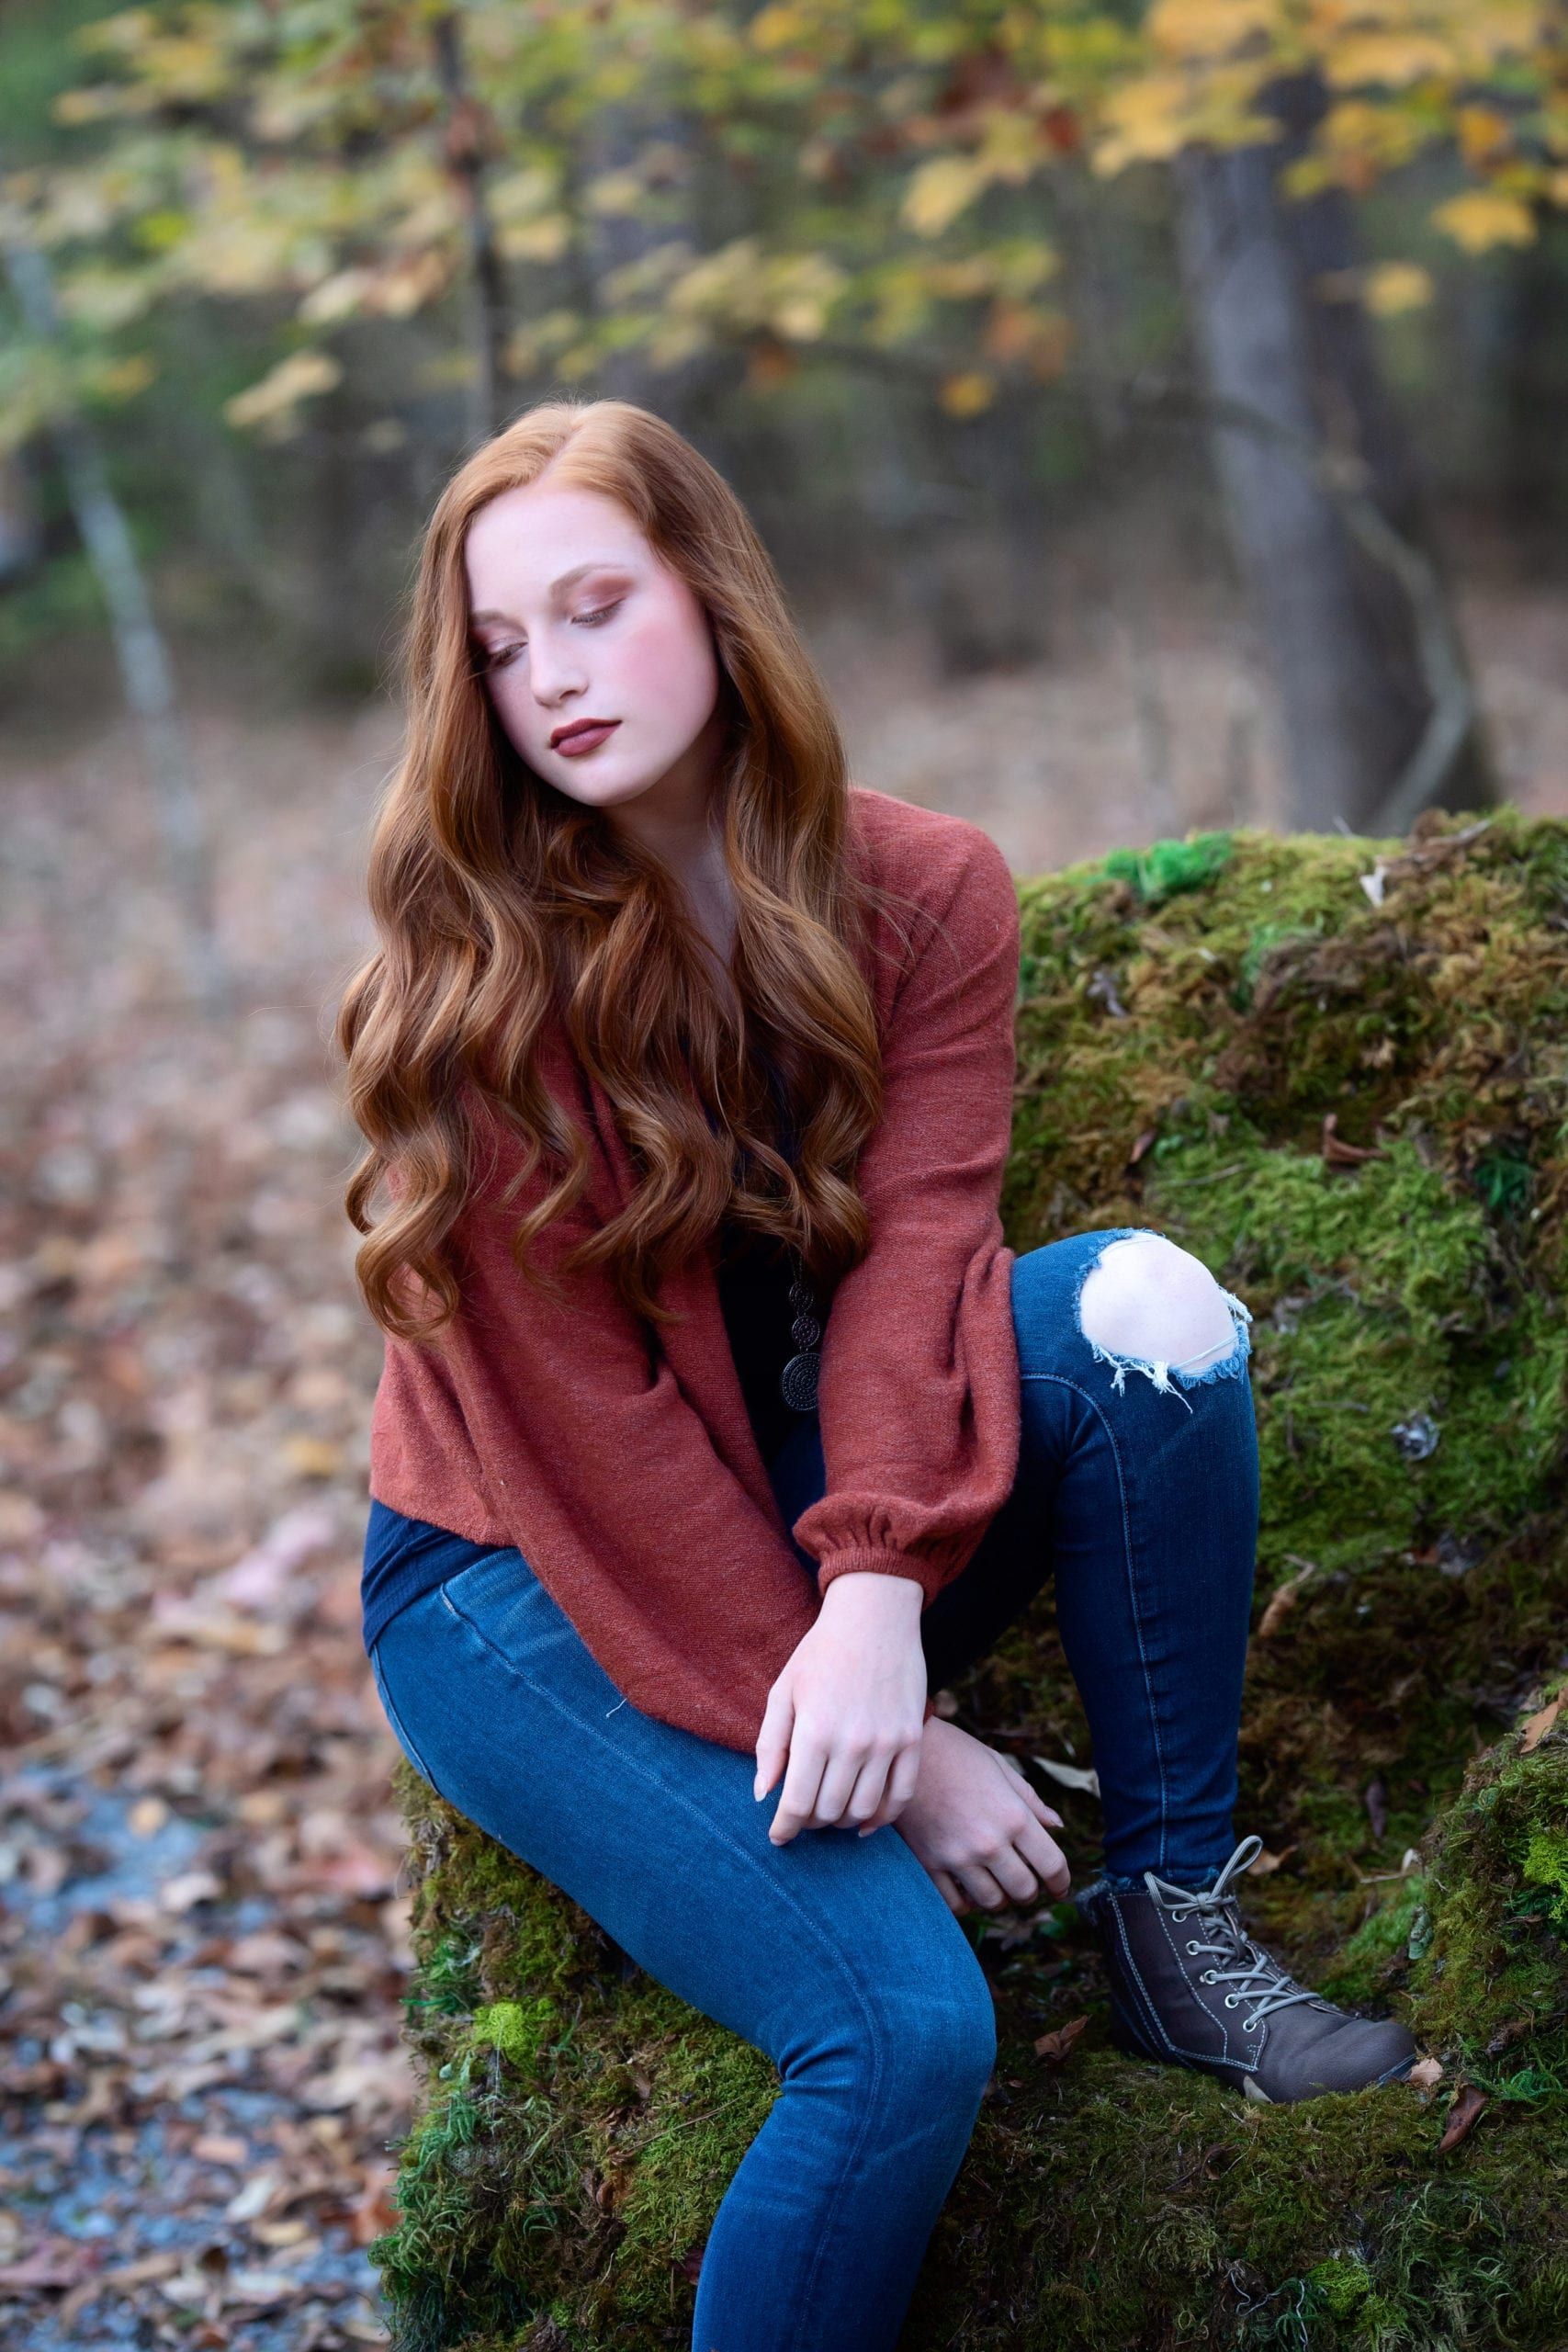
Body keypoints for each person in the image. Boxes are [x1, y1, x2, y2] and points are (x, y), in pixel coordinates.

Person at [336, 398, 1416, 2352]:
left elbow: (927, 1257)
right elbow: (594, 1438)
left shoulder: (921, 892)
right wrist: (889, 1737)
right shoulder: (480, 970)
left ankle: (1173, 1911)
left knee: (1144, 1313)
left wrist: (874, 1592)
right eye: (502, 647)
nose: (553, 678)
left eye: (594, 606)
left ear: (711, 595)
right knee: (898, 2032)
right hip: (519, 1571)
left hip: (802, 1495)